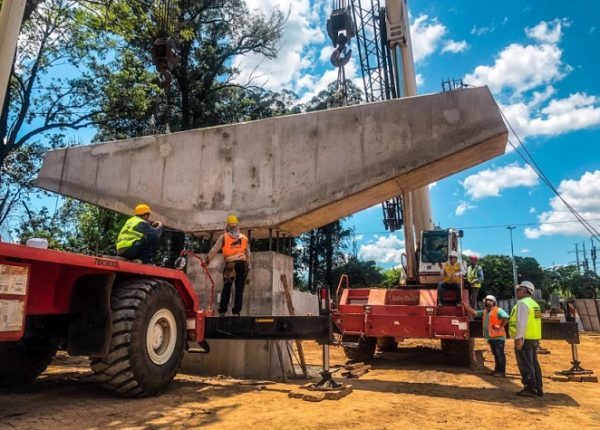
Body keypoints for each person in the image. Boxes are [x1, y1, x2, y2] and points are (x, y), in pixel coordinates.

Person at [205, 215, 251, 316]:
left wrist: (206, 261)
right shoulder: (244, 238)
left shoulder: (224, 237)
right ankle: (236, 313)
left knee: (227, 288)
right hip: (242, 264)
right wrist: (248, 267)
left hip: (231, 265)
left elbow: (214, 250)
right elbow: (248, 254)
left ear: (228, 225)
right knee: (239, 290)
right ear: (237, 225)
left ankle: (222, 311)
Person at [509, 280, 543, 397]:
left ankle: (529, 388)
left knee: (526, 364)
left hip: (525, 339)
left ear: (526, 291)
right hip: (533, 338)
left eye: (519, 290)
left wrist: (519, 339)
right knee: (534, 363)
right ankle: (538, 387)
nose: (517, 292)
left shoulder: (522, 304)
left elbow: (521, 323)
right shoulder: (534, 304)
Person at [463, 295, 509, 376]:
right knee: (496, 355)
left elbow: (506, 317)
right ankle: (497, 371)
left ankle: (501, 372)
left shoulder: (498, 310)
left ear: (493, 302)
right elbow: (474, 312)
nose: (486, 302)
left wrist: (501, 326)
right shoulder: (485, 312)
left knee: (499, 355)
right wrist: (465, 305)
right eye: (486, 300)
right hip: (491, 337)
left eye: (488, 300)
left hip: (498, 338)